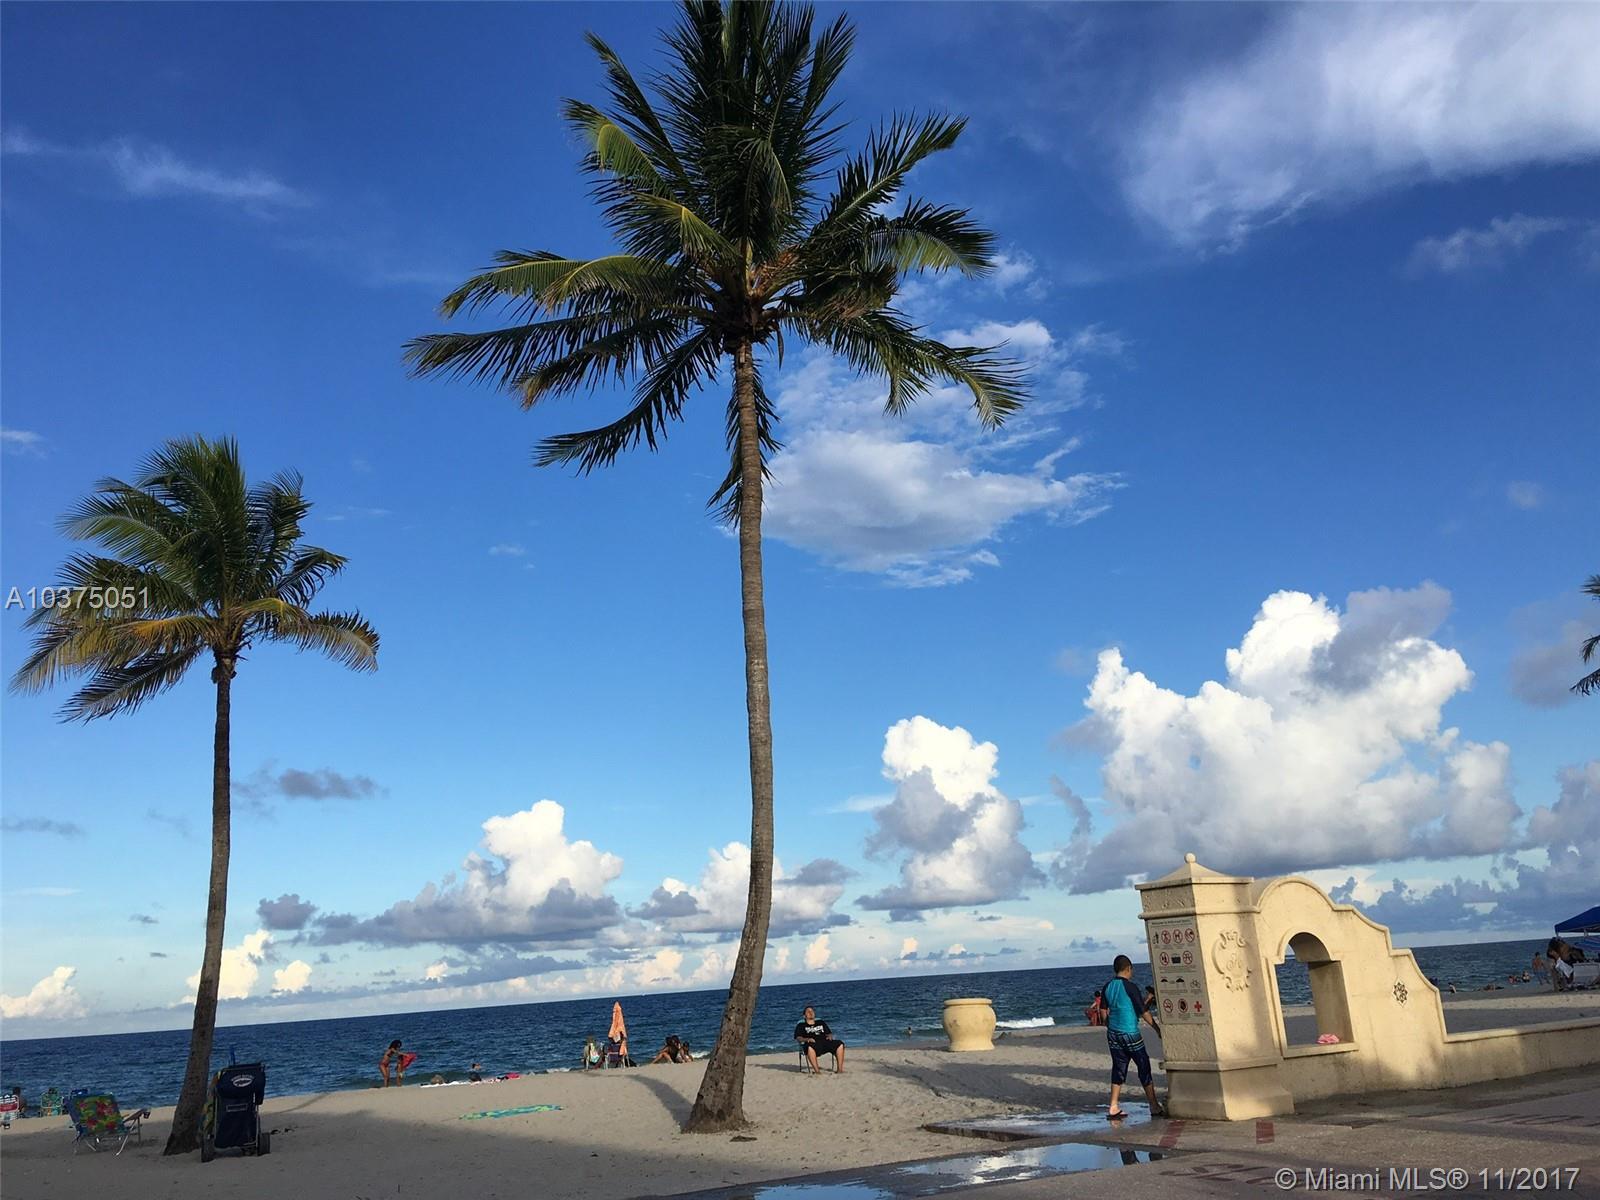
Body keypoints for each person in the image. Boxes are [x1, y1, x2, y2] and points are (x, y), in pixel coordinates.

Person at [1096, 955, 1165, 1120]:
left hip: (1113, 1033)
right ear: (1128, 968)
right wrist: (1157, 1029)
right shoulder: (1130, 987)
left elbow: (1103, 1010)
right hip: (1130, 1032)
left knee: (1119, 1067)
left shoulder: (1107, 986)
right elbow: (1143, 1011)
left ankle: (1113, 1106)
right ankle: (1153, 1105)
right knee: (1143, 1065)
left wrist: (1108, 1024)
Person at [795, 1006, 845, 1074]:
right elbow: (798, 1037)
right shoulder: (801, 1025)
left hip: (825, 1042)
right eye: (808, 1011)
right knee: (809, 1047)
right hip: (812, 1043)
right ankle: (817, 1072)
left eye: (812, 1011)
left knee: (840, 1044)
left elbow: (829, 1033)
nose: (810, 1013)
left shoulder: (820, 1022)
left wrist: (829, 1036)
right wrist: (807, 1039)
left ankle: (840, 1070)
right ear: (804, 1016)